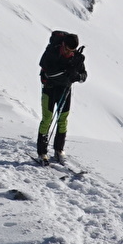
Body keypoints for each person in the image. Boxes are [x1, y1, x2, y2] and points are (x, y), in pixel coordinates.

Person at [37, 31, 86, 163]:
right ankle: (42, 152)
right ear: (63, 45)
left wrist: (78, 76)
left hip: (65, 90)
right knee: (47, 119)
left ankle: (59, 150)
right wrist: (67, 73)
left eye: (72, 50)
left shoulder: (77, 57)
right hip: (50, 89)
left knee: (63, 119)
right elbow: (49, 72)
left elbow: (84, 75)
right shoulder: (52, 52)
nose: (69, 53)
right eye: (68, 49)